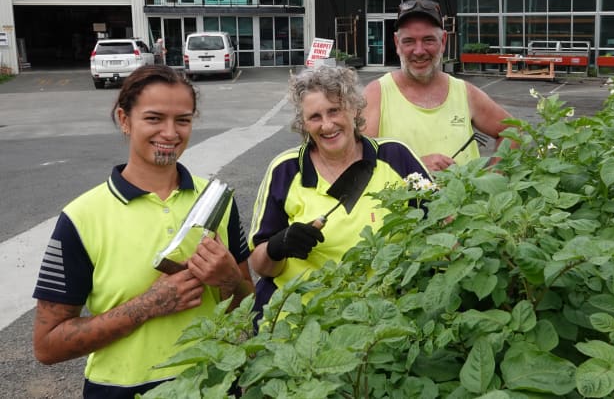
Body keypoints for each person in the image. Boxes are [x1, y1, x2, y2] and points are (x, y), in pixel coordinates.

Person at [32, 65, 253, 399]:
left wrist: (228, 282)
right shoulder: (82, 217)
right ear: (124, 119)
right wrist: (148, 305)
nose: (170, 132)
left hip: (215, 383)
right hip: (122, 390)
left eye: (183, 119)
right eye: (153, 118)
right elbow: (47, 345)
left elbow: (248, 307)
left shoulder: (217, 200)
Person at [248, 65, 429, 319]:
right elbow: (260, 265)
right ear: (303, 124)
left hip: (381, 316)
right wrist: (278, 247)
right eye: (314, 117)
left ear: (354, 110)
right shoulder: (285, 171)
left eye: (334, 111)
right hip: (301, 320)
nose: (327, 125)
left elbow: (440, 223)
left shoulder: (395, 156)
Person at [363, 0, 513, 172]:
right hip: (402, 199)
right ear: (397, 43)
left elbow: (513, 131)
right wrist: (413, 166)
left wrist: (493, 178)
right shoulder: (376, 94)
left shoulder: (464, 93)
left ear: (443, 42)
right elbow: (360, 162)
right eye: (409, 41)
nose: (419, 51)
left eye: (428, 40)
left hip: (460, 199)